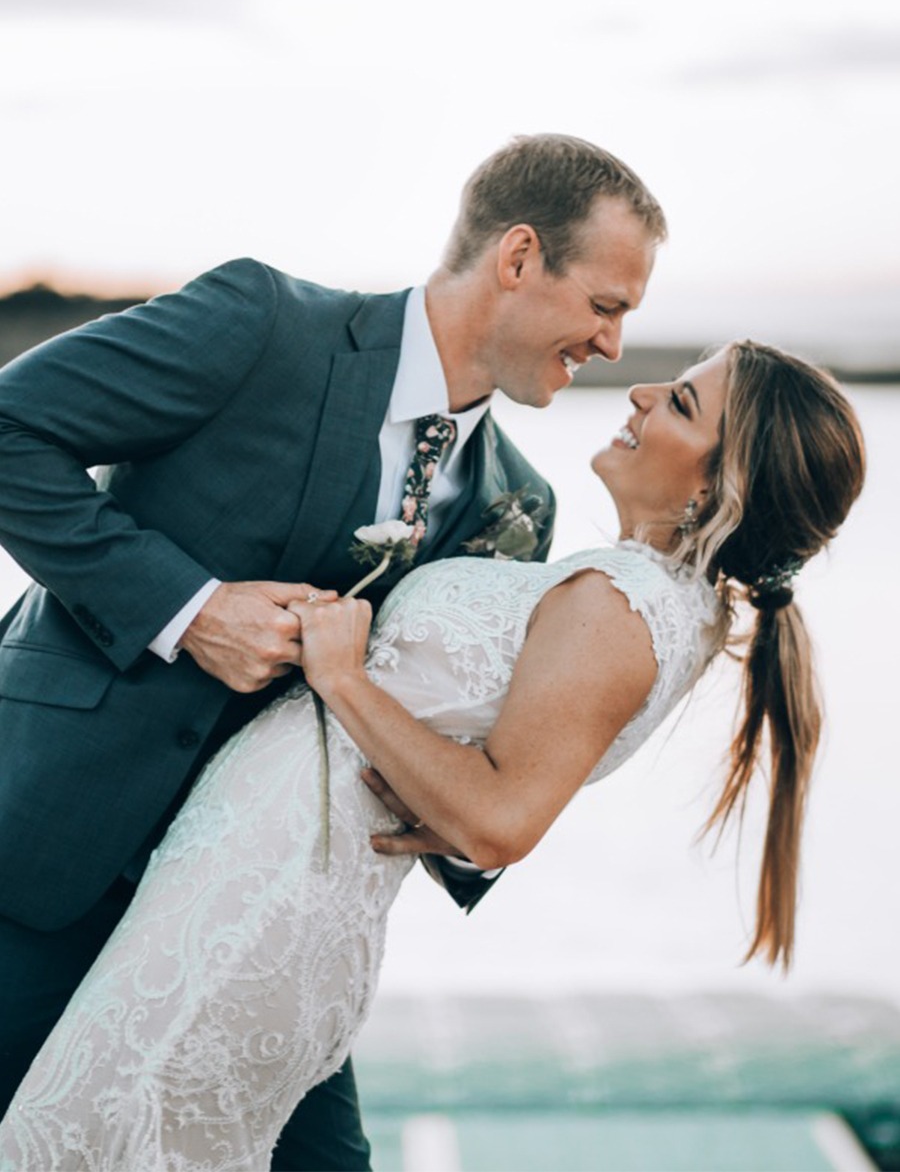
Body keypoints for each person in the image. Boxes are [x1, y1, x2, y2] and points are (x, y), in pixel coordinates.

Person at [0, 340, 864, 1171]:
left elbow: (497, 822)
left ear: (723, 486)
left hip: (258, 910)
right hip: (251, 891)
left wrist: (345, 677)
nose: (638, 390)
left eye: (680, 402)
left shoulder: (621, 601)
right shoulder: (670, 603)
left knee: (95, 1135)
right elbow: (503, 753)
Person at [0, 134, 664, 1169]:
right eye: (607, 305)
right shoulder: (264, 326)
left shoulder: (517, 506)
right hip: (52, 844)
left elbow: (450, 734)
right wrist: (190, 607)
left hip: (259, 920)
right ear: (521, 256)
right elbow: (10, 430)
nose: (614, 347)